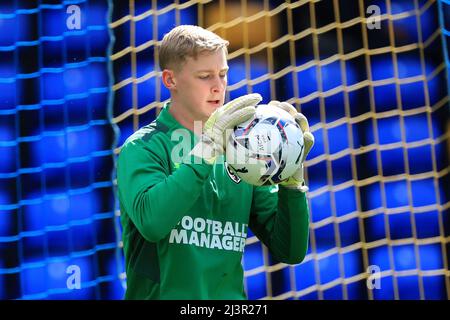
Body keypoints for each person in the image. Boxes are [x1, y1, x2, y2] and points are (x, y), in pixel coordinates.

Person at [116, 25, 314, 300]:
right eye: (204, 76)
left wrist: (291, 181)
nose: (218, 87)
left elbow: (290, 251)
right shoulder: (143, 147)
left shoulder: (244, 150)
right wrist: (208, 148)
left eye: (222, 75)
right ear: (170, 80)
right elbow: (152, 223)